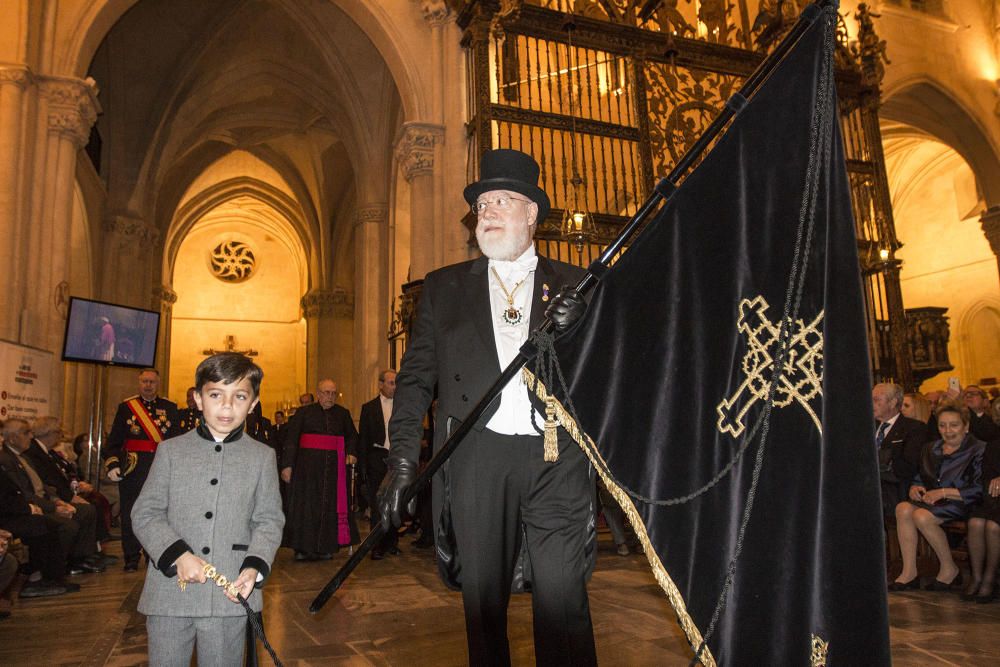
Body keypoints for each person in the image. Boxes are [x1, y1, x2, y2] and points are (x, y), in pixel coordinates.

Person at [379, 148, 593, 665]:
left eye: (503, 200)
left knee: (563, 598)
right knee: (483, 600)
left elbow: (608, 370)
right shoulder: (445, 287)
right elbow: (414, 380)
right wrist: (403, 459)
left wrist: (584, 328)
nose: (488, 211)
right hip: (476, 456)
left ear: (532, 214)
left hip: (556, 455)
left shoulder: (575, 285)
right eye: (482, 204)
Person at [132, 352, 284, 667]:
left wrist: (253, 567)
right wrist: (178, 554)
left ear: (253, 404)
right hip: (170, 594)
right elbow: (146, 513)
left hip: (229, 593)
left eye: (239, 396)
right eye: (216, 395)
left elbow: (269, 520)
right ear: (198, 399)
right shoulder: (170, 451)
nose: (227, 406)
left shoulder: (262, 457)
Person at [891, 400, 985, 591]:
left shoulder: (978, 448)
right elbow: (920, 477)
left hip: (964, 502)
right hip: (934, 501)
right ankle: (909, 572)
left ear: (966, 426)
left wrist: (943, 492)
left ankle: (949, 568)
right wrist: (914, 488)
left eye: (954, 425)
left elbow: (979, 488)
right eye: (942, 425)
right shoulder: (931, 448)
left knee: (921, 515)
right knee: (902, 508)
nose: (948, 430)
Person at [104, 368, 181, 571]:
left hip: (160, 467)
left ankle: (154, 553)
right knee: (131, 512)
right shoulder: (127, 408)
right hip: (133, 468)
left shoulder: (170, 408)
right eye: (144, 381)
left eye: (152, 382)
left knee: (160, 513)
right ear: (139, 383)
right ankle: (131, 556)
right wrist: (113, 463)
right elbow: (113, 442)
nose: (148, 385)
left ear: (158, 384)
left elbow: (176, 442)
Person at [282, 379, 359, 560]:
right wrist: (287, 465)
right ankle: (303, 548)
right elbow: (291, 440)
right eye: (326, 392)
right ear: (318, 394)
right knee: (306, 508)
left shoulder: (343, 414)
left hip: (334, 471)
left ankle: (326, 547)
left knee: (329, 507)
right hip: (306, 471)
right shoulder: (303, 413)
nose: (330, 397)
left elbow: (352, 437)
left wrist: (352, 453)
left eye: (333, 393)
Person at [358, 370, 398, 560]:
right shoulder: (368, 407)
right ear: (381, 384)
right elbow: (363, 439)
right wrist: (363, 467)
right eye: (390, 383)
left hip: (396, 458)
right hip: (376, 458)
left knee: (395, 501)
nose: (394, 387)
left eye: (396, 383)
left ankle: (392, 543)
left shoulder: (402, 406)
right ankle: (376, 544)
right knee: (377, 503)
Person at [872, 383, 928, 517]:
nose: (871, 403)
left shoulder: (913, 428)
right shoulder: (868, 427)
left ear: (893, 402)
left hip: (894, 491)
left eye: (876, 399)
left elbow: (907, 467)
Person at [963, 437, 1000, 602]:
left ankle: (990, 578)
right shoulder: (995, 442)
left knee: (993, 527)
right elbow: (987, 475)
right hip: (994, 498)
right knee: (975, 522)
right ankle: (977, 577)